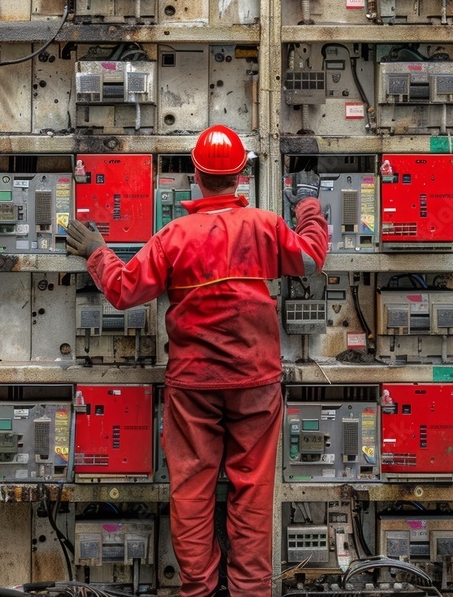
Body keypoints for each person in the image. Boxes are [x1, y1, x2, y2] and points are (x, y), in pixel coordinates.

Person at [66, 125, 328, 597]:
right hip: (255, 382)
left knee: (191, 491)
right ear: (243, 174)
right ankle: (250, 591)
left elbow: (125, 291)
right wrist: (307, 204)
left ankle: (199, 590)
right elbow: (310, 258)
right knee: (251, 494)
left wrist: (96, 252)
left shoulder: (174, 237)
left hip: (193, 386)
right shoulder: (265, 227)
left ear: (196, 174)